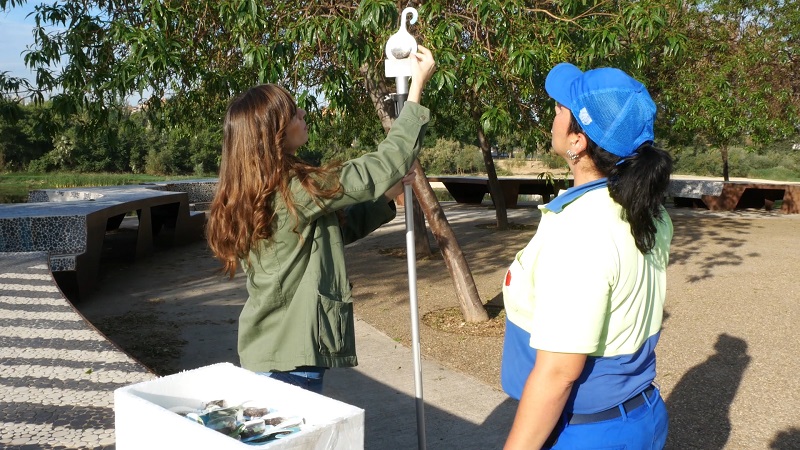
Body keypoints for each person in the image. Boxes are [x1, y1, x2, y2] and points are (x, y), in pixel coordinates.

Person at [206, 47, 437, 394]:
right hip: (289, 364)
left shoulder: (258, 191)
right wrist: (416, 88)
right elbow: (385, 161)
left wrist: (386, 196)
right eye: (292, 113)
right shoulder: (293, 188)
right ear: (275, 134)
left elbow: (330, 235)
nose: (302, 112)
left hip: (271, 355)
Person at [501, 62, 674, 449]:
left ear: (578, 141)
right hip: (640, 417)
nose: (553, 116)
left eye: (561, 109)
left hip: (588, 433)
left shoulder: (580, 229)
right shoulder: (648, 211)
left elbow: (559, 373)